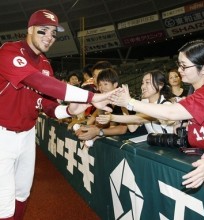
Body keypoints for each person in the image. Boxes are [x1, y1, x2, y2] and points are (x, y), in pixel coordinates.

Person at [0, 9, 117, 220]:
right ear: (30, 29)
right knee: (3, 205)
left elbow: (48, 105)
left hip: (27, 135)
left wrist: (70, 110)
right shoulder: (8, 51)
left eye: (53, 33)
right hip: (2, 135)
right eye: (43, 31)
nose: (49, 37)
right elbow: (38, 82)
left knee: (22, 194)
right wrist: (90, 97)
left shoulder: (45, 64)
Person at [110, 39, 204, 152]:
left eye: (184, 66)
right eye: (179, 64)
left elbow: (170, 113)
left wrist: (129, 102)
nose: (179, 70)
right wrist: (188, 125)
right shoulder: (201, 89)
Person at [97, 70, 175, 134]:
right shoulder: (144, 102)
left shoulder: (166, 105)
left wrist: (112, 117)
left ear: (160, 85)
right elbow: (132, 128)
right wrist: (122, 105)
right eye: (142, 83)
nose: (143, 87)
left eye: (147, 82)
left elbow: (139, 119)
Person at [75, 68, 128, 143]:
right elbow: (101, 125)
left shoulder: (123, 100)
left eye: (105, 84)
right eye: (100, 84)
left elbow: (122, 129)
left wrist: (98, 133)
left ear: (115, 84)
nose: (102, 88)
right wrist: (85, 128)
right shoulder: (104, 101)